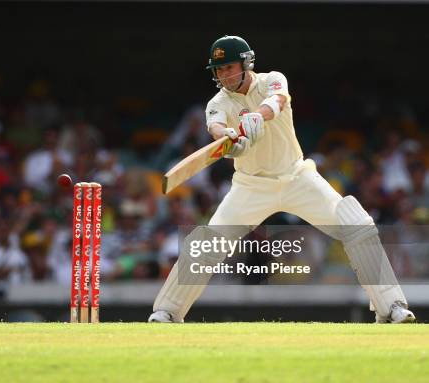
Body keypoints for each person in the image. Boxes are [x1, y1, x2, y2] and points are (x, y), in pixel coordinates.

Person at [149, 35, 415, 324]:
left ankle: (392, 307)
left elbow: (278, 100)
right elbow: (215, 125)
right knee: (206, 244)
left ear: (246, 62)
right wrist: (226, 136)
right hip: (250, 186)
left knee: (357, 225)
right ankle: (167, 311)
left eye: (229, 67)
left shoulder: (272, 79)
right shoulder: (218, 101)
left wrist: (257, 117)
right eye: (219, 69)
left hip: (297, 177)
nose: (224, 75)